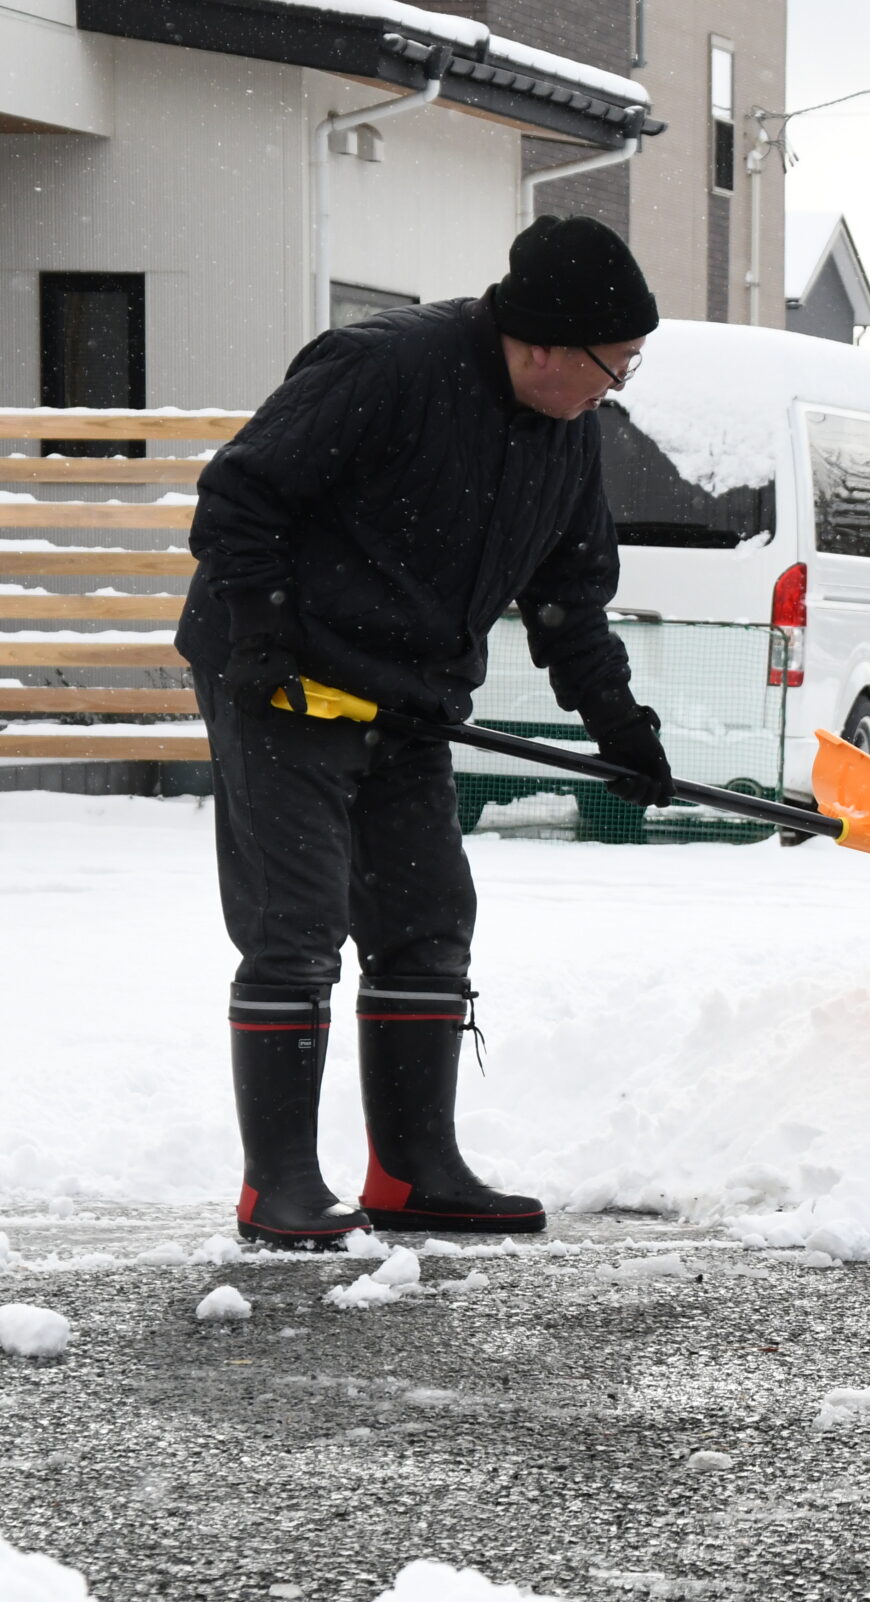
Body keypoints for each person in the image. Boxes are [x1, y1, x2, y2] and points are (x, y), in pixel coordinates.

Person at [177, 216, 676, 1249]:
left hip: (407, 697)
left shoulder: (568, 431)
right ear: (544, 344)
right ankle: (278, 1186)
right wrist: (264, 631)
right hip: (283, 681)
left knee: (427, 913)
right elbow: (240, 493)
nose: (614, 387)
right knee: (296, 921)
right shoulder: (382, 367)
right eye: (611, 366)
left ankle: (412, 1171)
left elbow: (569, 599)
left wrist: (619, 726)